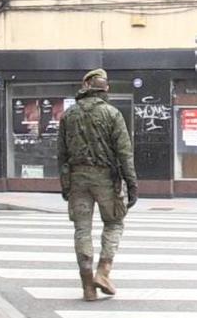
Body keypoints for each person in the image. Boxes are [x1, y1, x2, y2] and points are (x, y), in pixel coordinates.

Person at [57, 68, 138, 301]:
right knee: (114, 223)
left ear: (85, 87)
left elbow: (61, 154)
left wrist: (65, 184)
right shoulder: (112, 114)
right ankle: (103, 272)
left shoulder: (69, 115)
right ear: (106, 89)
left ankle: (87, 287)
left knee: (82, 229)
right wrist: (132, 183)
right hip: (105, 179)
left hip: (77, 179)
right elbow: (124, 153)